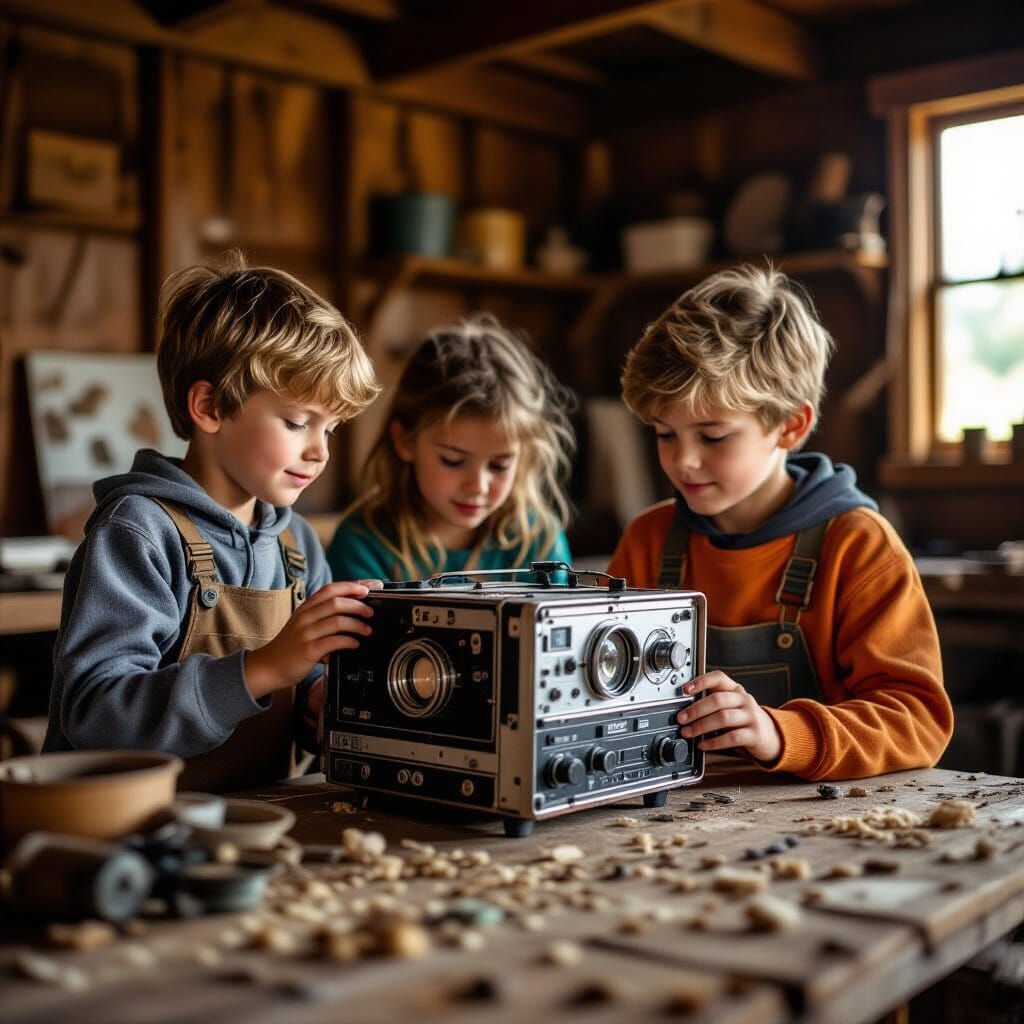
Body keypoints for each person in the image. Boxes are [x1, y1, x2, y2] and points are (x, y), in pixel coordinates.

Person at [44, 254, 381, 792]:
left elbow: (305, 684)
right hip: (128, 835)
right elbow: (96, 716)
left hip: (256, 828)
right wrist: (263, 669)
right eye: (297, 422)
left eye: (332, 429)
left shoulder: (297, 547)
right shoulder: (138, 531)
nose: (320, 452)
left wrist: (322, 707)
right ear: (210, 407)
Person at [608, 264, 952, 781]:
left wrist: (779, 733)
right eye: (664, 434)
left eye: (713, 436)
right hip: (667, 821)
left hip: (823, 826)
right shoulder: (648, 541)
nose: (684, 462)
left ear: (791, 425)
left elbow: (917, 719)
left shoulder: (857, 545)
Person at [327, 315, 574, 584]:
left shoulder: (538, 538)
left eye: (499, 465)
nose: (478, 486)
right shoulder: (362, 544)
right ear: (404, 441)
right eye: (453, 460)